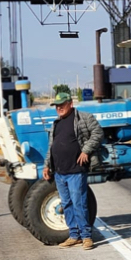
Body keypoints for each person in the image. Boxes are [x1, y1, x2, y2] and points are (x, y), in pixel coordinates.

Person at [43, 93, 103, 252]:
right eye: (56, 105)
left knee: (79, 203)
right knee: (67, 204)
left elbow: (98, 133)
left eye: (61, 104)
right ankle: (74, 236)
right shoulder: (56, 123)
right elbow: (51, 147)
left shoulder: (83, 118)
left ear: (70, 103)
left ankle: (86, 237)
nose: (58, 108)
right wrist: (46, 165)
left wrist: (86, 151)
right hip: (60, 172)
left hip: (76, 171)